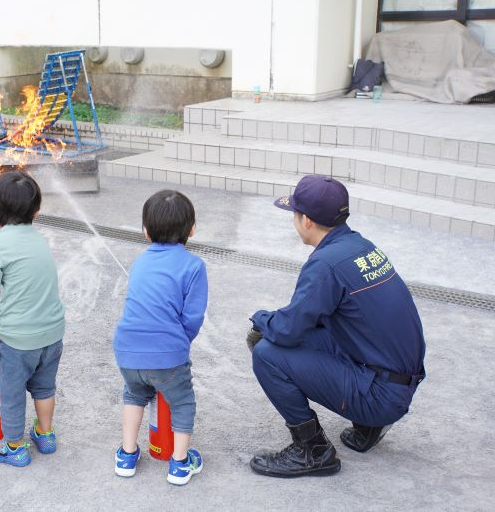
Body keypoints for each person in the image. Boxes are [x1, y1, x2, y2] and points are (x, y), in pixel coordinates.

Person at [247, 175, 426, 478]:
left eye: (294, 213)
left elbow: (286, 330)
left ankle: (314, 451)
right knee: (308, 331)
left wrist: (261, 318)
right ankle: (369, 425)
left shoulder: (326, 264)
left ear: (306, 221)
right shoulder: (361, 245)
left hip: (381, 393)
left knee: (266, 351)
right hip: (396, 378)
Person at [112, 190, 208, 486]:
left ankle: (127, 455)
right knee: (182, 402)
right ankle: (179, 463)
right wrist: (178, 344)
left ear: (145, 231)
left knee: (134, 394)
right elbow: (192, 318)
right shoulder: (194, 266)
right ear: (191, 230)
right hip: (167, 356)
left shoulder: (140, 261)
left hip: (127, 351)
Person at [0, 171, 65, 467]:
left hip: (17, 340)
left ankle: (14, 447)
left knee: (11, 394)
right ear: (37, 211)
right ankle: (45, 433)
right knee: (44, 387)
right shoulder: (40, 240)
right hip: (52, 334)